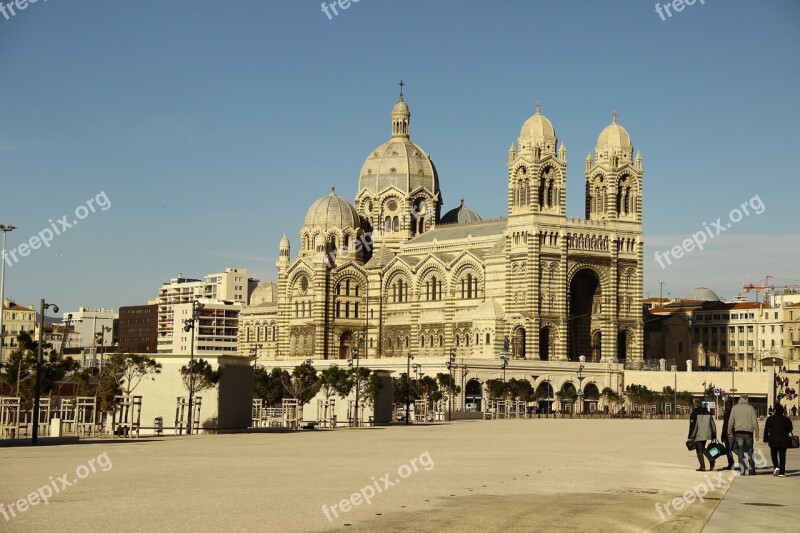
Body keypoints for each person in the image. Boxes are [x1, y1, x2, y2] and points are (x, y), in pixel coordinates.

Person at [728, 394, 760, 475]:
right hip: (749, 433)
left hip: (738, 432)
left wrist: (729, 432)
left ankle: (742, 471)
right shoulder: (751, 408)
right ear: (747, 399)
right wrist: (757, 433)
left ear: (740, 398)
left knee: (740, 451)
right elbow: (755, 422)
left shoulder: (735, 408)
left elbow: (731, 421)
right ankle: (752, 470)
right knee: (750, 451)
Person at [763, 404, 793, 477]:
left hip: (773, 440)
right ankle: (782, 472)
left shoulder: (770, 419)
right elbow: (790, 429)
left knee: (774, 454)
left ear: (774, 410)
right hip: (784, 440)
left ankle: (776, 467)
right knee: (782, 456)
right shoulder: (786, 419)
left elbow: (766, 430)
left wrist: (765, 439)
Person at [688, 399, 717, 471]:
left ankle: (702, 466)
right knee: (703, 448)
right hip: (706, 434)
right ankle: (711, 459)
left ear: (695, 404)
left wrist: (691, 436)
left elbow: (693, 425)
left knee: (699, 450)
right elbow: (713, 424)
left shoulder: (694, 413)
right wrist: (714, 435)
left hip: (698, 434)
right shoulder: (707, 412)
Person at [720, 399, 735, 470]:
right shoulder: (731, 414)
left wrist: (723, 435)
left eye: (728, 405)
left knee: (729, 450)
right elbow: (725, 425)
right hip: (731, 434)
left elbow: (725, 426)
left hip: (729, 434)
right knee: (734, 449)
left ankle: (731, 464)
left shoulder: (728, 414)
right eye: (727, 405)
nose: (727, 407)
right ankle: (733, 463)